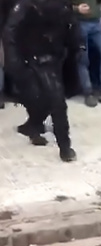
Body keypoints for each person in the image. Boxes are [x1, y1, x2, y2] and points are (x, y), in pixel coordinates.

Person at [3, 0, 85, 162]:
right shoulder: (27, 4)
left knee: (50, 100)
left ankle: (33, 127)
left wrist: (78, 45)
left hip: (55, 56)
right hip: (31, 58)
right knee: (53, 101)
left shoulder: (61, 4)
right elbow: (10, 31)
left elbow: (71, 23)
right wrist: (13, 61)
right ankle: (64, 146)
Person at [71, 0, 101, 107]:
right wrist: (77, 9)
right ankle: (88, 92)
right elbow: (62, 5)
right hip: (80, 23)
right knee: (83, 59)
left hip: (97, 23)